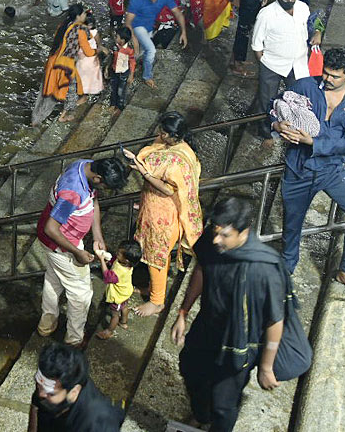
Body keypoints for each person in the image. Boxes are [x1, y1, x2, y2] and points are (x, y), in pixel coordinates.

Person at [172, 196, 312, 432]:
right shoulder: (212, 240)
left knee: (223, 403)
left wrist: (266, 368)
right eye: (215, 232)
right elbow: (202, 269)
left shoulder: (264, 269)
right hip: (207, 327)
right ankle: (200, 415)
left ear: (244, 232)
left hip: (238, 341)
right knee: (190, 369)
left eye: (225, 235)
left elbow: (275, 320)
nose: (217, 239)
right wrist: (183, 312)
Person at [271, 47, 345, 299]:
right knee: (292, 225)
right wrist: (275, 124)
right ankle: (287, 267)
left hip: (332, 169)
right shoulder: (305, 86)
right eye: (325, 73)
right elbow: (272, 107)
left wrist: (314, 143)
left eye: (335, 76)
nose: (327, 80)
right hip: (299, 168)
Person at [35, 156, 129, 346]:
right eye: (106, 186)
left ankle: (46, 325)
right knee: (81, 293)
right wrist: (77, 252)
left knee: (54, 279)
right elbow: (51, 228)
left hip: (61, 240)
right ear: (97, 178)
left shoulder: (85, 165)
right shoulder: (72, 192)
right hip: (61, 244)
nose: (105, 191)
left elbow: (93, 200)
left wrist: (97, 235)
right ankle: (74, 339)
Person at [122, 111, 203, 316]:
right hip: (155, 208)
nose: (159, 135)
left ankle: (157, 301)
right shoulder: (178, 147)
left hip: (163, 216)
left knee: (155, 256)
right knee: (159, 255)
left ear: (172, 135)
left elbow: (169, 189)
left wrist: (145, 173)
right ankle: (155, 289)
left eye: (163, 133)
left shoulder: (178, 160)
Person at [252, 0, 317, 136]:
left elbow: (314, 23)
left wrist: (318, 33)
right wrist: (264, 62)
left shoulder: (302, 8)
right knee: (267, 99)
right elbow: (256, 44)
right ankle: (266, 132)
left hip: (298, 64)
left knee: (299, 99)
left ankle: (295, 128)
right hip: (272, 64)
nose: (289, 2)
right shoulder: (267, 14)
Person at [29, 342, 125, 431]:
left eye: (51, 394)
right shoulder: (47, 385)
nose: (40, 394)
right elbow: (36, 408)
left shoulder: (98, 422)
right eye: (38, 385)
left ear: (74, 392)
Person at [31, 4, 97, 126]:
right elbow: (88, 51)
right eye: (83, 14)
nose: (84, 15)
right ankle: (48, 119)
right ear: (78, 16)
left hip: (52, 62)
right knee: (62, 93)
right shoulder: (79, 30)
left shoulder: (63, 25)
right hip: (64, 67)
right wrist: (97, 51)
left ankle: (35, 118)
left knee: (45, 93)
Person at [124, 0, 188, 88]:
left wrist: (183, 32)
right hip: (137, 26)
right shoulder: (138, 0)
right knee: (150, 50)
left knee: (143, 52)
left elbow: (178, 13)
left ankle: (135, 67)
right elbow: (128, 23)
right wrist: (134, 39)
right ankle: (146, 77)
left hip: (149, 27)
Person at [96, 240, 141, 340]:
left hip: (118, 296)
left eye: (119, 253)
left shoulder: (119, 271)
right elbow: (115, 262)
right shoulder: (127, 264)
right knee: (124, 307)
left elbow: (107, 277)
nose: (117, 253)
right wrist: (109, 261)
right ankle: (123, 322)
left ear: (126, 260)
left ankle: (109, 331)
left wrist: (102, 260)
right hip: (126, 291)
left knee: (115, 314)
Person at [108, 26, 136, 115]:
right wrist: (106, 68)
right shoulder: (115, 47)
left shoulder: (129, 50)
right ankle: (113, 104)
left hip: (123, 73)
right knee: (113, 88)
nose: (115, 38)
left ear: (123, 40)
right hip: (114, 70)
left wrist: (131, 75)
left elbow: (132, 62)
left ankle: (119, 106)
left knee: (121, 91)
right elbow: (111, 58)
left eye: (117, 37)